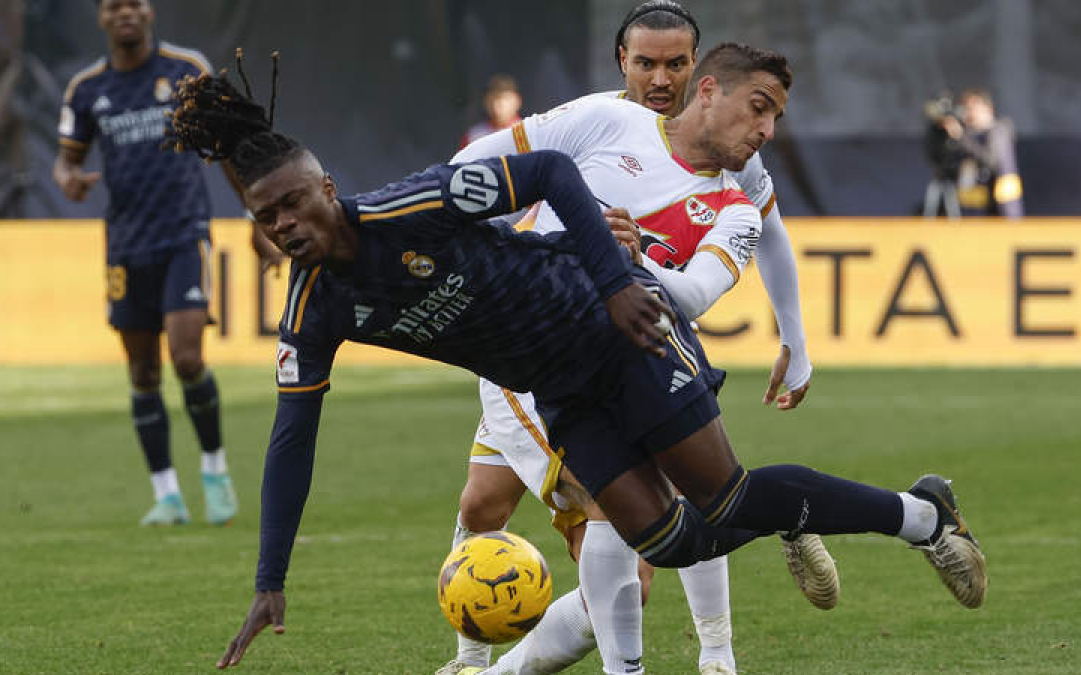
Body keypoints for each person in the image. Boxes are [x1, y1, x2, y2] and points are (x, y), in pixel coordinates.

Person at [175, 48, 990, 674]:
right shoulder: (311, 312)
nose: (283, 224)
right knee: (670, 541)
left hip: (613, 328)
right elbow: (291, 438)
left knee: (727, 493)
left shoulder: (415, 206)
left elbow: (550, 172)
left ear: (325, 187)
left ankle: (924, 515)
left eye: (292, 201)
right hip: (556, 387)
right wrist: (270, 578)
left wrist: (615, 283)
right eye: (265, 216)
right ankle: (797, 514)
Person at [440, 6, 827, 675]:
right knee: (496, 504)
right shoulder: (597, 120)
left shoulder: (731, 149)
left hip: (635, 347)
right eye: (646, 63)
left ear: (699, 69)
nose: (660, 78)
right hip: (539, 346)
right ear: (622, 60)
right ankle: (472, 660)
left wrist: (795, 337)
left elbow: (770, 234)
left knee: (626, 519)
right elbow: (475, 167)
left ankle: (716, 654)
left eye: (676, 63)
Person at [53, 0, 240, 526]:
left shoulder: (186, 69)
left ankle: (215, 473)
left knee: (187, 358)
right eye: (114, 6)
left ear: (149, 11)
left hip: (184, 235)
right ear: (101, 18)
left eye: (133, 3)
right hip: (125, 246)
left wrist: (256, 216)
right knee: (142, 371)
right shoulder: (86, 89)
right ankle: (167, 496)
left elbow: (227, 146)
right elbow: (66, 161)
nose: (125, 13)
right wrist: (68, 179)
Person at [948, 88, 1024, 219]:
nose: (970, 113)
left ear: (988, 109)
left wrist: (962, 138)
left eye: (973, 108)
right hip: (976, 209)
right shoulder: (970, 135)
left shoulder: (999, 131)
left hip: (1002, 208)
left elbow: (991, 160)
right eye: (967, 109)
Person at [460, 74, 523, 149]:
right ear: (485, 102)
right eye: (492, 98)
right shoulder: (474, 136)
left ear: (517, 101)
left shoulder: (528, 131)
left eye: (505, 98)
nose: (497, 104)